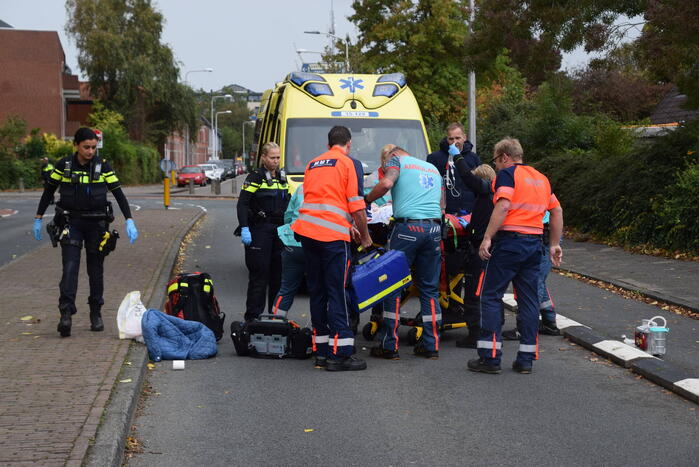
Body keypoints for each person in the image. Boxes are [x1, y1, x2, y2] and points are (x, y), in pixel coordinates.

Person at [468, 137, 563, 375]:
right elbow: (557, 210)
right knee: (529, 301)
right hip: (534, 245)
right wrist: (553, 245)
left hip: (509, 243)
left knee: (490, 296)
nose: (497, 166)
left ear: (504, 157)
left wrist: (487, 237)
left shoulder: (508, 174)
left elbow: (502, 206)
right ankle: (526, 359)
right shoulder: (541, 178)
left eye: (496, 161)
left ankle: (489, 358)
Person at [32, 127, 138, 337]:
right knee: (70, 268)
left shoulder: (103, 166)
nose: (91, 151)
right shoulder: (64, 165)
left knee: (95, 270)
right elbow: (48, 192)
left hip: (97, 225)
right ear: (76, 146)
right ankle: (66, 314)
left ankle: (96, 313)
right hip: (71, 222)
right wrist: (38, 218)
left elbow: (118, 193)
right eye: (86, 147)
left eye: (93, 147)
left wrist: (129, 220)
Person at [291, 126, 372, 372]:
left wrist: (345, 225)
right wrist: (365, 237)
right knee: (338, 292)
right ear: (348, 144)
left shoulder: (313, 164)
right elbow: (356, 206)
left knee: (318, 293)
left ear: (329, 144)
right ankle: (341, 354)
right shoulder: (347, 163)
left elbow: (324, 201)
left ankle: (322, 351)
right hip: (332, 239)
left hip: (308, 233)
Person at [365, 146, 444, 360]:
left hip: (407, 229)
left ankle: (388, 344)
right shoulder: (433, 169)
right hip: (434, 229)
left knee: (393, 285)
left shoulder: (397, 162)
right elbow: (442, 204)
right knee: (429, 289)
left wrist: (366, 200)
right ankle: (431, 345)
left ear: (393, 156)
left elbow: (386, 183)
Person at [236, 142, 289, 322]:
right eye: (272, 157)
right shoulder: (255, 177)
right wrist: (244, 227)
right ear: (264, 158)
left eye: (278, 157)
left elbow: (287, 203)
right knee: (259, 277)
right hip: (259, 230)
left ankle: (274, 318)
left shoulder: (282, 178)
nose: (276, 161)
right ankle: (253, 319)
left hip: (278, 231)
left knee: (278, 277)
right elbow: (243, 203)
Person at [451, 163, 497, 349]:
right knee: (492, 293)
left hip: (480, 251)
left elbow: (478, 224)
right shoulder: (494, 198)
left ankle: (475, 334)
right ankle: (492, 328)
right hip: (492, 251)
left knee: (473, 293)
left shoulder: (485, 195)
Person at [502, 210, 561, 340]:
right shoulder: (542, 190)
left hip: (537, 237)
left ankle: (525, 328)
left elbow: (556, 210)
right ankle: (549, 322)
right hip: (542, 236)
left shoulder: (532, 191)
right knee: (537, 282)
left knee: (531, 285)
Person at [426, 122, 480, 215]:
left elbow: (478, 185)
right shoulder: (434, 158)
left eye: (458, 138)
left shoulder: (473, 158)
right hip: (444, 212)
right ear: (447, 139)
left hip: (468, 212)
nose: (454, 142)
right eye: (451, 139)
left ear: (464, 137)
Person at [270, 185, 305, 318]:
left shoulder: (301, 187)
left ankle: (276, 323)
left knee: (286, 289)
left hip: (292, 242)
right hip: (315, 244)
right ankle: (320, 329)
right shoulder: (331, 187)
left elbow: (288, 214)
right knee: (319, 290)